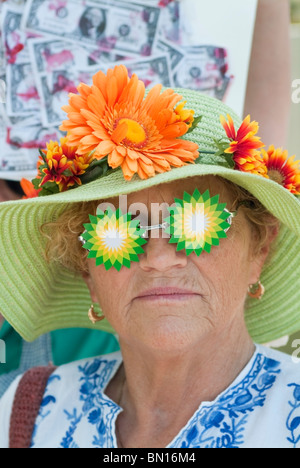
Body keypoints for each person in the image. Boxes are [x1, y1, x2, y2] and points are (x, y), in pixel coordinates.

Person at [0, 65, 300, 448]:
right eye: (118, 230)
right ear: (86, 270)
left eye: (197, 221)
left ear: (259, 249)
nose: (159, 258)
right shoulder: (31, 412)